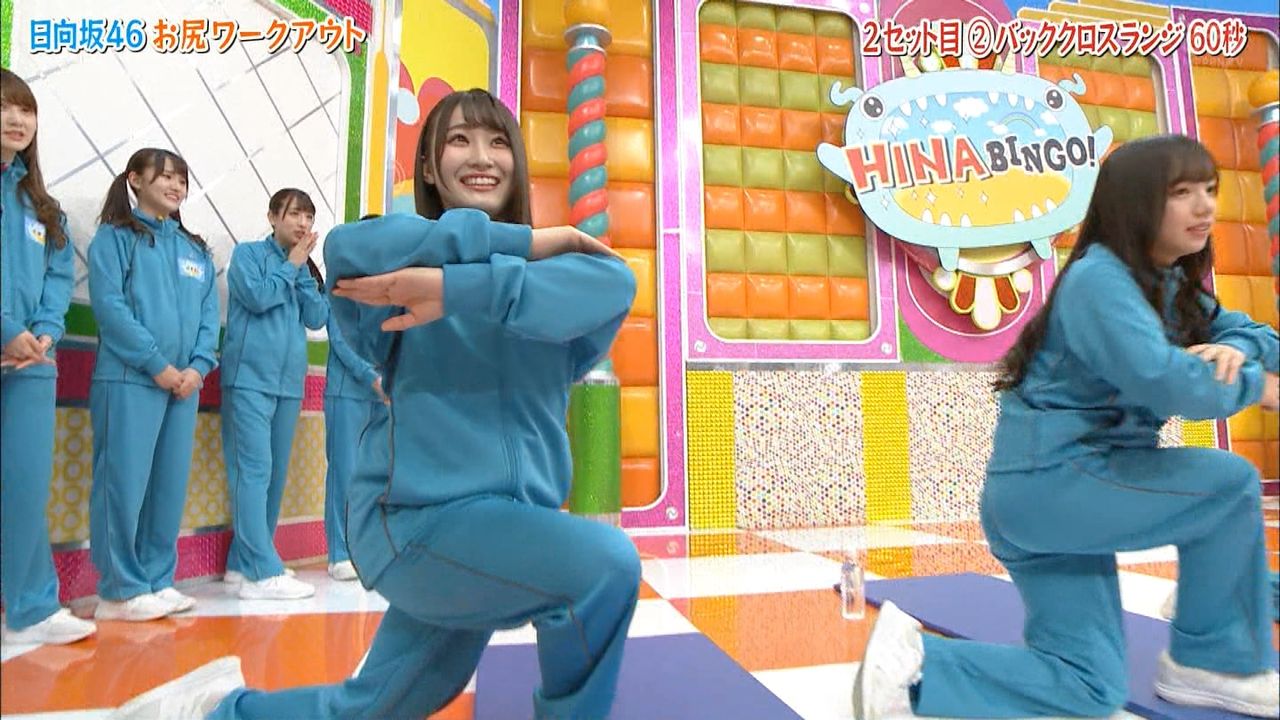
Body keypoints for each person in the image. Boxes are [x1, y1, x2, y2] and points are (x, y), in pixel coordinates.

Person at [109, 88, 641, 720]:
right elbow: (350, 250)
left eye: (498, 142)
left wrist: (459, 288)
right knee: (605, 568)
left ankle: (214, 711)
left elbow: (614, 281)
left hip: (503, 530)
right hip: (417, 522)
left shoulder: (554, 280)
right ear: (428, 167)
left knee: (370, 710)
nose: (482, 156)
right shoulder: (396, 266)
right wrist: (519, 244)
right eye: (460, 140)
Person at [853, 134, 1279, 719]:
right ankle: (1215, 660)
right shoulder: (1100, 282)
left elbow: (1258, 336)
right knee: (1228, 486)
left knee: (1087, 686)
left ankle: (916, 674)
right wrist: (1257, 385)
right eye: (1181, 192)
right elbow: (1164, 382)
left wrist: (1233, 349)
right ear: (1135, 202)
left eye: (1209, 189)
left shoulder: (1169, 287)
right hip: (1061, 482)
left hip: (1054, 497)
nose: (1205, 206)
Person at [87, 148, 220, 621]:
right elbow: (110, 308)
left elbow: (209, 317)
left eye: (181, 179)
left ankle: (157, 579)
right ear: (135, 180)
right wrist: (157, 365)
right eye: (165, 177)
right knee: (122, 486)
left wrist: (198, 368)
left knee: (167, 487)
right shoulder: (115, 237)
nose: (175, 186)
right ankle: (118, 590)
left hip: (184, 387)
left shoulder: (195, 250)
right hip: (130, 380)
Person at [0, 67, 96, 644]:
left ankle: (31, 607)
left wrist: (43, 332)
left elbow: (59, 277)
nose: (17, 119)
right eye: (5, 107)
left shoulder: (42, 206)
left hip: (32, 364)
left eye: (26, 110)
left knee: (25, 485)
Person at [219, 188, 328, 600]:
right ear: (272, 217)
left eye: (309, 216)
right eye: (295, 214)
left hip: (288, 383)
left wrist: (303, 271)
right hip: (248, 378)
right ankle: (261, 570)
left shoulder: (300, 266)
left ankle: (241, 563)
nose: (303, 223)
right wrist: (291, 264)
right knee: (254, 471)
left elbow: (317, 317)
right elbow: (259, 297)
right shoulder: (248, 255)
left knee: (274, 475)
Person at [321, 212, 388, 583]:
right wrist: (371, 376)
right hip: (348, 391)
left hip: (383, 395)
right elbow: (340, 337)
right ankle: (340, 552)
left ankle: (368, 549)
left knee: (376, 476)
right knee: (345, 472)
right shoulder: (341, 282)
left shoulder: (391, 284)